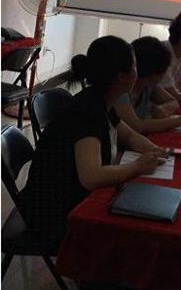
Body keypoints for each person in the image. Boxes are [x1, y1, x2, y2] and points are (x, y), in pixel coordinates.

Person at [20, 36, 168, 245]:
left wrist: (155, 151)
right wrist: (137, 167)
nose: (138, 71)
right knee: (140, 231)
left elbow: (129, 136)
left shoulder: (100, 100)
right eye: (134, 66)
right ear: (121, 77)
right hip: (52, 212)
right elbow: (91, 176)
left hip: (65, 197)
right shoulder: (88, 112)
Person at [114, 36, 181, 134]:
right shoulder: (121, 91)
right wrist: (179, 121)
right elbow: (137, 126)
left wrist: (163, 108)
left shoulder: (149, 85)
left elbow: (174, 102)